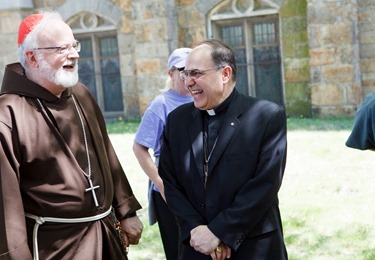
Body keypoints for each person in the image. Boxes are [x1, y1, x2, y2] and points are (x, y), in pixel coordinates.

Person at [0, 11, 143, 259]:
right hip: (55, 246)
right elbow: (5, 205)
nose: (75, 54)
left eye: (74, 45)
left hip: (104, 233)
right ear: (32, 57)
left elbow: (106, 154)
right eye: (61, 48)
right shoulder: (8, 114)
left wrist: (126, 210)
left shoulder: (81, 95)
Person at [158, 39, 288, 260]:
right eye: (185, 74)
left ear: (225, 74)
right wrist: (199, 231)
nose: (188, 82)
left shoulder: (266, 116)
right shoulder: (176, 121)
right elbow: (170, 183)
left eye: (196, 73)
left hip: (253, 246)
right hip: (196, 245)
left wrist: (220, 232)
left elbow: (265, 184)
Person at [133, 47, 193, 259]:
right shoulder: (161, 105)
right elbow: (139, 147)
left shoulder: (204, 99)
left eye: (195, 71)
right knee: (179, 251)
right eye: (183, 71)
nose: (189, 77)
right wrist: (162, 185)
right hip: (170, 192)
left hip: (199, 190)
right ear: (171, 74)